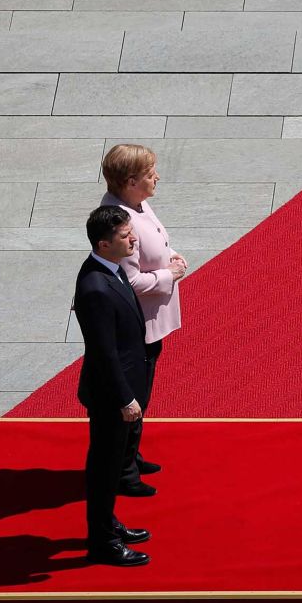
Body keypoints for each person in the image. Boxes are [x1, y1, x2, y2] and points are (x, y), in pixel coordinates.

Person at [100, 143, 188, 498]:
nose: (157, 178)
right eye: (151, 174)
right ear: (132, 181)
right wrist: (170, 274)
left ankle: (131, 456)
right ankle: (124, 471)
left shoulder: (137, 204)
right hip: (138, 326)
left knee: (143, 394)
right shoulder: (120, 223)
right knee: (134, 398)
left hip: (151, 320)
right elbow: (130, 282)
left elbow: (154, 244)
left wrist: (169, 255)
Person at [75, 206, 153, 567]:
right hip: (112, 397)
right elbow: (103, 352)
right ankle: (103, 543)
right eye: (125, 236)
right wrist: (125, 399)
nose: (133, 239)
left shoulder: (112, 269)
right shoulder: (95, 287)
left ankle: (108, 524)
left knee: (109, 465)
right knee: (105, 469)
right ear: (104, 244)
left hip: (122, 387)